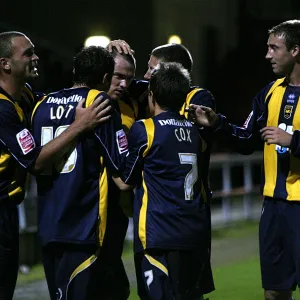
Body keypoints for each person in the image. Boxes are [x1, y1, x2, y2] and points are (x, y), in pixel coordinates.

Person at [189, 19, 300, 300]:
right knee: (274, 291)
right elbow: (247, 140)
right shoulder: (268, 94)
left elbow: (288, 141)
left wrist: (293, 141)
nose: (268, 55)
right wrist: (218, 124)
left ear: (296, 50)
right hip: (274, 207)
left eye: (274, 48)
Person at [0, 31, 110, 300]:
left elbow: (57, 100)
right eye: (27, 53)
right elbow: (35, 161)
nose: (35, 57)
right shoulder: (2, 109)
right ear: (5, 64)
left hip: (8, 210)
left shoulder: (25, 95)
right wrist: (80, 126)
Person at [108, 40, 215, 300]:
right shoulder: (198, 129)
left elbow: (124, 182)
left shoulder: (146, 128)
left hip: (158, 233)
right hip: (194, 230)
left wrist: (106, 151)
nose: (144, 77)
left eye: (150, 71)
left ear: (154, 93)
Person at [30, 45, 127, 300]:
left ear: (75, 71)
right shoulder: (99, 102)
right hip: (81, 226)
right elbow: (122, 172)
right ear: (106, 78)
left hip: (49, 225)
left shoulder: (42, 104)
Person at [97, 47, 137, 299]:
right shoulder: (85, 101)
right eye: (117, 76)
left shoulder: (131, 104)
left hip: (118, 206)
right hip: (88, 204)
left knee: (112, 271)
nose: (123, 84)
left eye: (129, 78)